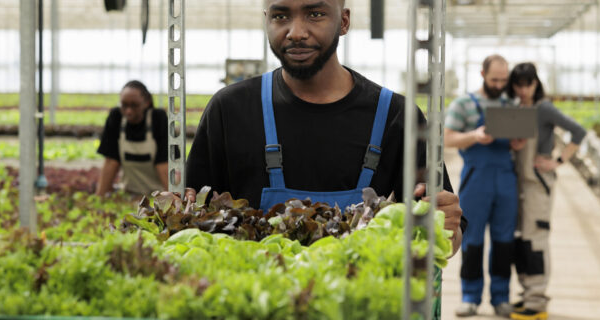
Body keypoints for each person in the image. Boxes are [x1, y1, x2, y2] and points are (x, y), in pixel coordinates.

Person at [184, 0, 464, 256]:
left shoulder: (398, 117)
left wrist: (445, 227)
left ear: (343, 21)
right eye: (280, 16)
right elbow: (191, 225)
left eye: (315, 14)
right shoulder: (229, 110)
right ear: (266, 20)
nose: (296, 31)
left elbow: (447, 241)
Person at [444, 54, 525, 317]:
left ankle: (501, 297)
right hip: (476, 178)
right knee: (472, 239)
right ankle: (470, 296)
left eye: (504, 80)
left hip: (505, 178)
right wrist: (474, 136)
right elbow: (446, 138)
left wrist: (517, 142)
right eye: (494, 79)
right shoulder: (464, 104)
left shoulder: (512, 105)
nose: (500, 84)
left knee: (503, 241)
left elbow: (518, 141)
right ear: (482, 74)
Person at [506, 62, 586, 320]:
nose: (523, 89)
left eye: (528, 84)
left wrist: (558, 161)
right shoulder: (518, 109)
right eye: (518, 85)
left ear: (536, 83)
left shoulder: (544, 109)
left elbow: (578, 131)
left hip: (537, 184)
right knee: (523, 239)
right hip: (519, 184)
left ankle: (537, 300)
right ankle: (529, 292)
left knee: (536, 240)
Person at [96, 80, 169, 197]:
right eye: (124, 105)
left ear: (147, 102)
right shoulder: (116, 117)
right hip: (129, 192)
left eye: (134, 105)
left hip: (158, 195)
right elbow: (111, 161)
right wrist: (99, 197)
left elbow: (163, 164)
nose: (128, 111)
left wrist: (173, 201)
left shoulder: (158, 118)